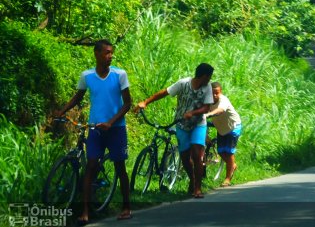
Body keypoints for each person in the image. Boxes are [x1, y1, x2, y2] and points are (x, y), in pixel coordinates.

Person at [55, 39, 132, 224]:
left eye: (111, 52)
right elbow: (77, 97)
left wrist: (111, 122)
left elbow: (128, 103)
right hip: (95, 129)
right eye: (106, 52)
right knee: (90, 166)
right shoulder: (87, 76)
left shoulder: (120, 74)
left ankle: (126, 207)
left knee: (120, 167)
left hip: (116, 129)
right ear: (96, 54)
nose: (110, 56)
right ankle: (85, 211)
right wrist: (61, 111)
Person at [136, 63, 214, 198]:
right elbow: (165, 92)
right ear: (204, 76)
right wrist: (146, 102)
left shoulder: (207, 88)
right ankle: (192, 179)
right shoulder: (183, 83)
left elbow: (206, 108)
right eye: (209, 76)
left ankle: (197, 188)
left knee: (196, 154)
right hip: (181, 123)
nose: (209, 79)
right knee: (184, 156)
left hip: (198, 124)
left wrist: (193, 113)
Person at [205, 82, 242, 187]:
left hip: (233, 127)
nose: (214, 95)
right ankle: (232, 166)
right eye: (212, 93)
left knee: (229, 152)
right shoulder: (208, 101)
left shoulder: (223, 100)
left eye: (217, 93)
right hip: (221, 129)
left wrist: (209, 114)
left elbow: (220, 110)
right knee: (221, 152)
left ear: (220, 92)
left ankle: (227, 179)